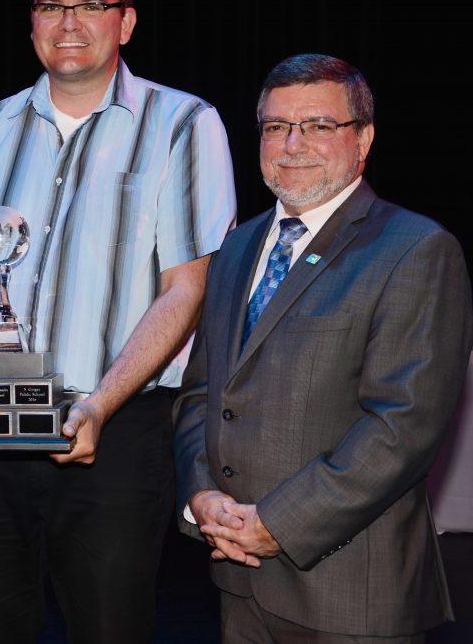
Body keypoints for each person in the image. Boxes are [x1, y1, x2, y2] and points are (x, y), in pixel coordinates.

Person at [0, 0, 237, 644]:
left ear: (127, 21)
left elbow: (187, 290)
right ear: (30, 23)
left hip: (115, 427)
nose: (69, 22)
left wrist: (97, 405)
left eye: (92, 4)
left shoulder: (184, 124)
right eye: (51, 5)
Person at [172, 53, 473, 642]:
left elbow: (402, 427)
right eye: (277, 126)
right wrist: (201, 494)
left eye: (318, 125)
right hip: (238, 579)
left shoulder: (416, 250)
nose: (293, 144)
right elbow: (203, 392)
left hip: (351, 592)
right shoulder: (235, 250)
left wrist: (280, 524)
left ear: (363, 139)